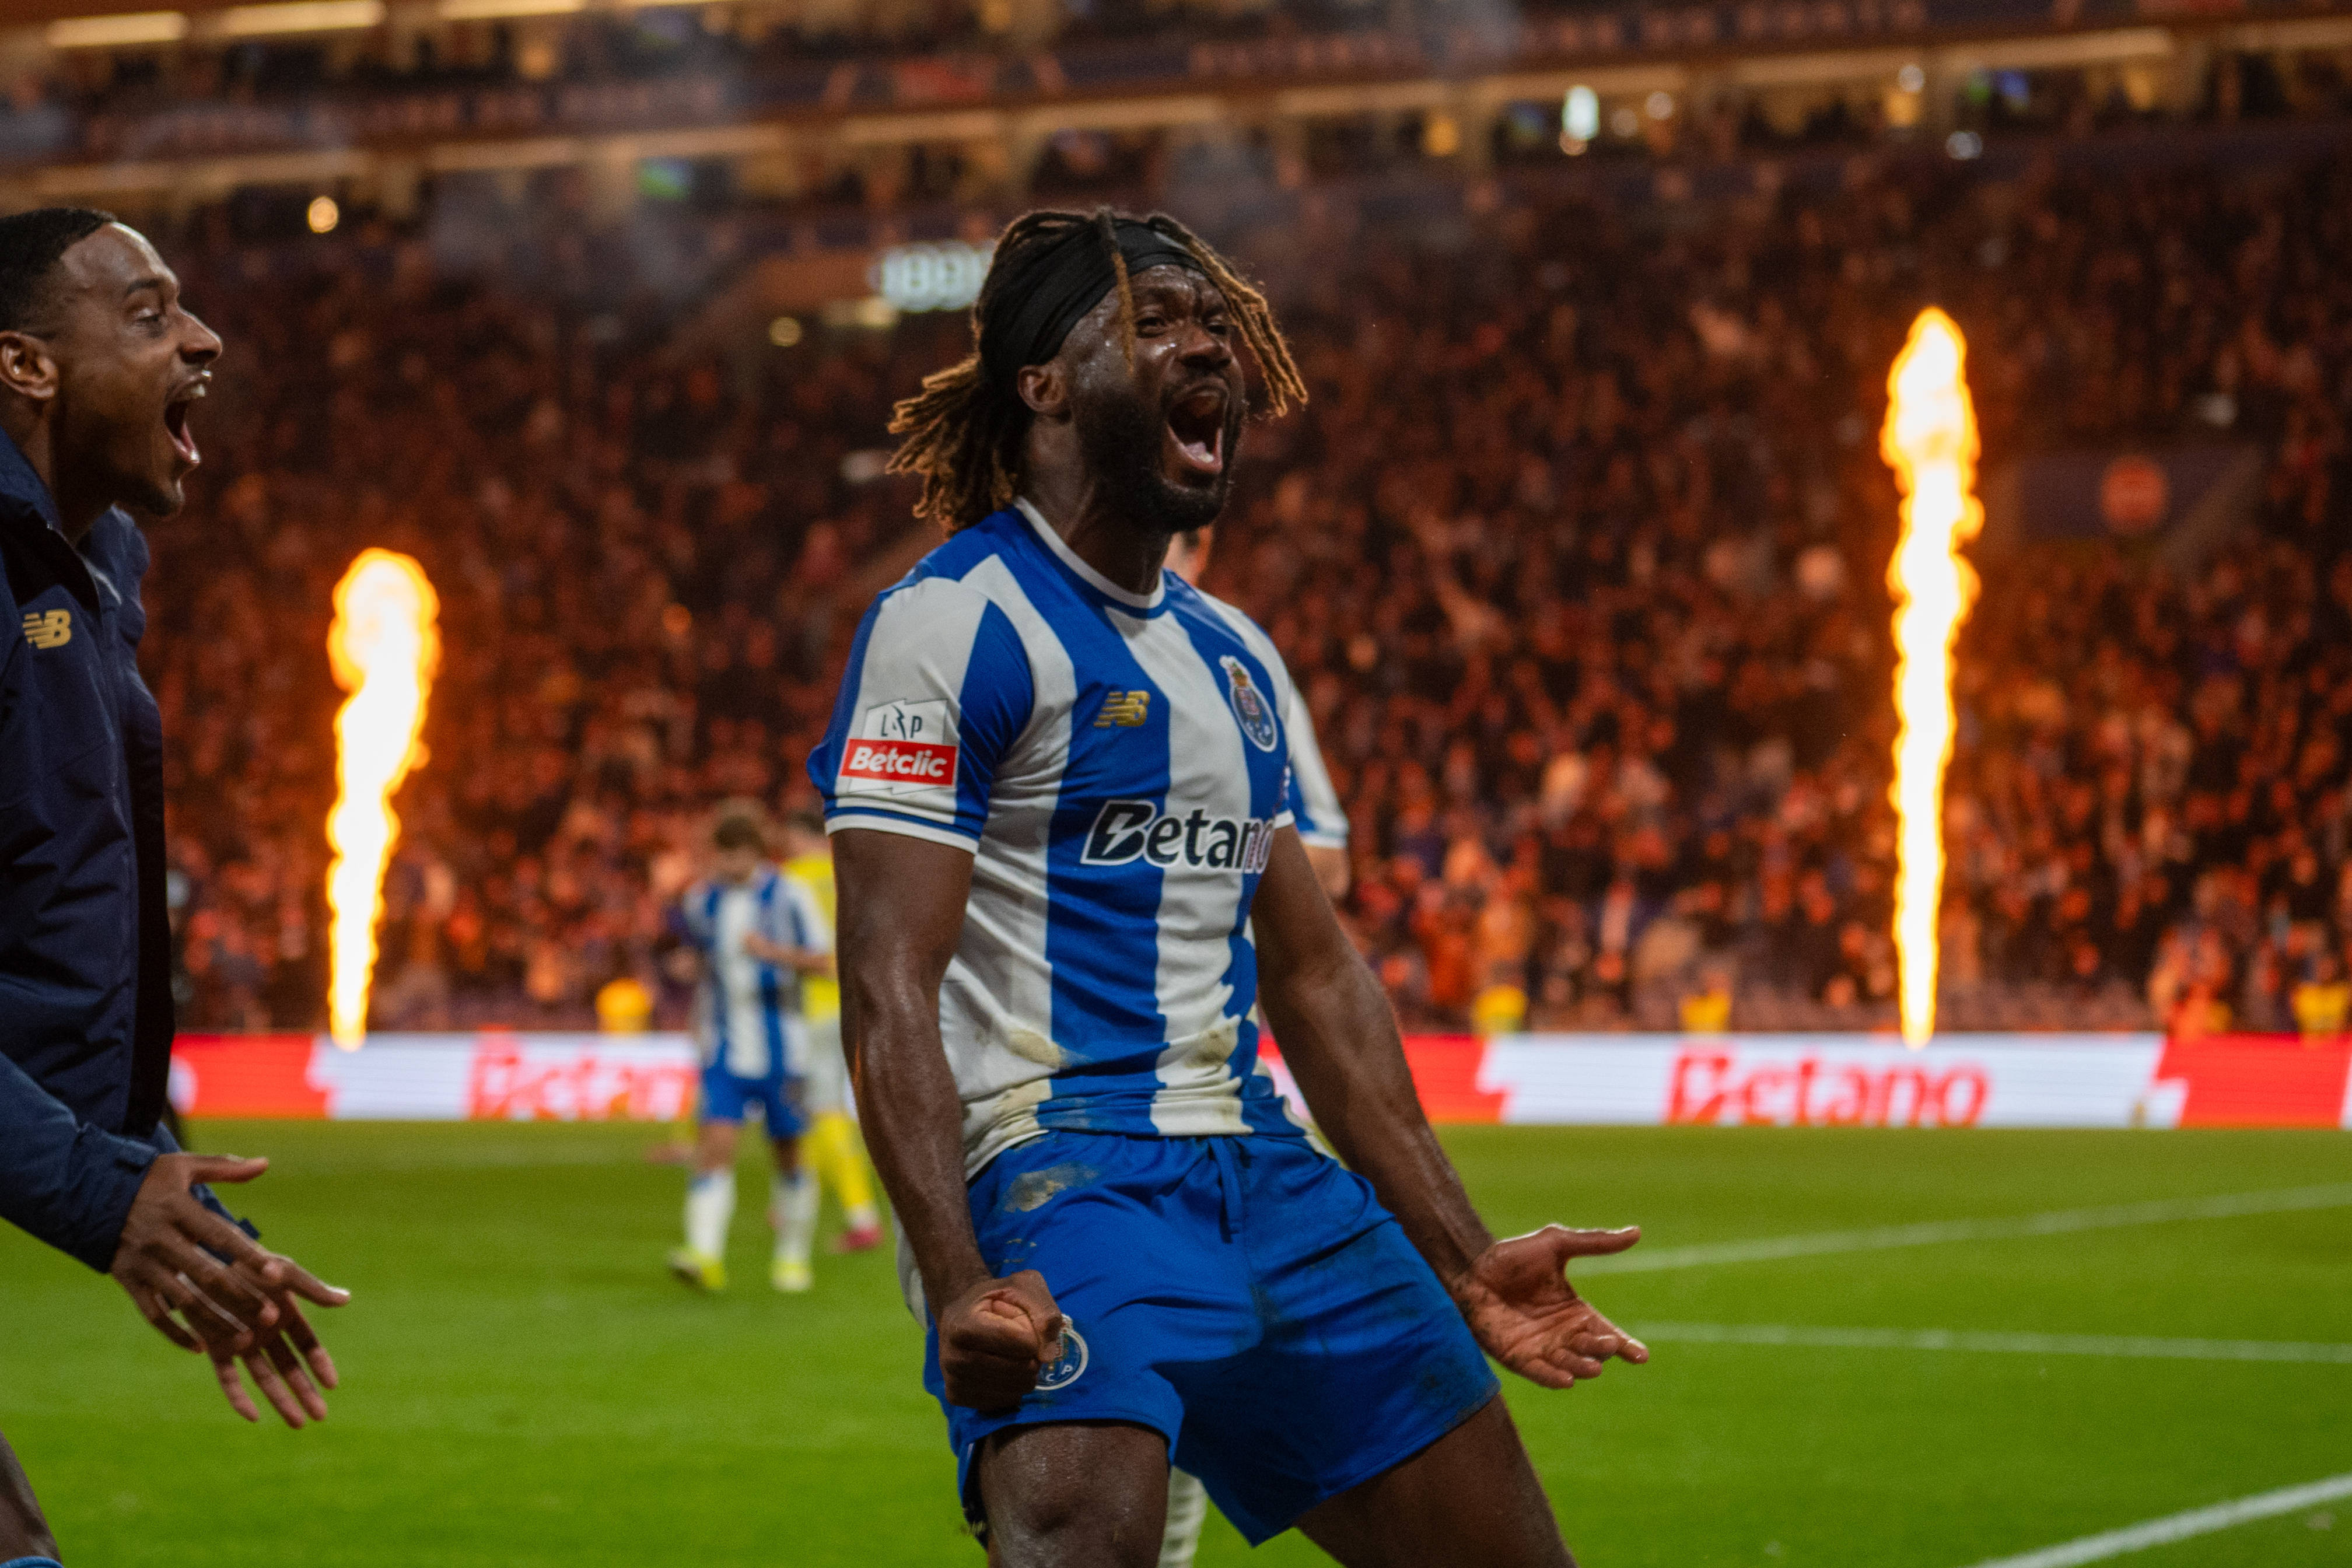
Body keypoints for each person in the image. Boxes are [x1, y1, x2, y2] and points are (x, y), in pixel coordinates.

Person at [816, 207, 1644, 1567]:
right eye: (1157, 324)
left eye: (1219, 327)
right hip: (1054, 1163)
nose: (1209, 348)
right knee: (1088, 1534)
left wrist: (1462, 1251)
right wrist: (956, 1276)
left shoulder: (1236, 660)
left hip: (1258, 1162)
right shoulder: (954, 624)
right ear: (1044, 383)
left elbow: (1314, 976)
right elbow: (888, 974)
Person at [0, 208, 348, 1564]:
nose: (202, 339)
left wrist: (150, 1186)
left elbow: (43, 937)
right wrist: (105, 1198)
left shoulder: (90, 571)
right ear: (25, 366)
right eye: (147, 317)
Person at [667, 802, 834, 1293]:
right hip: (725, 1050)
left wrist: (774, 954)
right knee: (714, 1147)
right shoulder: (702, 900)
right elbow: (703, 963)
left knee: (789, 1155)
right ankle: (704, 1255)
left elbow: (825, 962)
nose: (728, 866)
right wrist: (692, 991)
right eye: (722, 856)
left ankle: (792, 1257)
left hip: (787, 1052)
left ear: (756, 853)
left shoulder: (791, 894)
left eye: (736, 856)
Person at [776, 807, 885, 1252]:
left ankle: (862, 1216)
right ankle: (796, 1199)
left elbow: (802, 953)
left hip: (810, 1010)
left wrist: (766, 953)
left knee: (823, 1113)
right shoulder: (854, 871)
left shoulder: (787, 881)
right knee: (818, 1111)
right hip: (856, 1002)